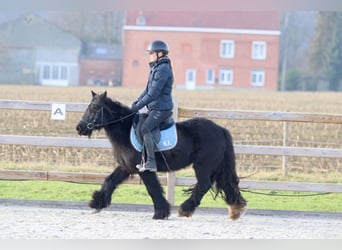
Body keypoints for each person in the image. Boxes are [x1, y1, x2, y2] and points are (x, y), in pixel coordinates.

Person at [131, 40, 174, 172]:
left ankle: (151, 162)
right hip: (155, 107)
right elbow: (147, 90)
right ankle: (144, 160)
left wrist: (138, 107)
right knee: (140, 124)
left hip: (162, 108)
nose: (150, 56)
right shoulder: (156, 68)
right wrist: (136, 102)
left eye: (151, 53)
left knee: (146, 129)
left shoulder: (163, 70)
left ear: (159, 53)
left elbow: (153, 94)